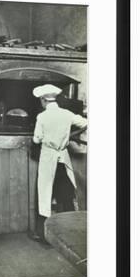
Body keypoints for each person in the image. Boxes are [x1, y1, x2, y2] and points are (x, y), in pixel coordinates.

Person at [32, 84, 87, 242]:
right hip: (62, 159)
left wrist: (38, 138)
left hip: (49, 158)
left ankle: (43, 235)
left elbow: (37, 139)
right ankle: (70, 234)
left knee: (44, 195)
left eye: (40, 101)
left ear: (44, 100)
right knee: (66, 195)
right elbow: (86, 123)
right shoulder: (66, 114)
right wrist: (69, 134)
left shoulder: (42, 117)